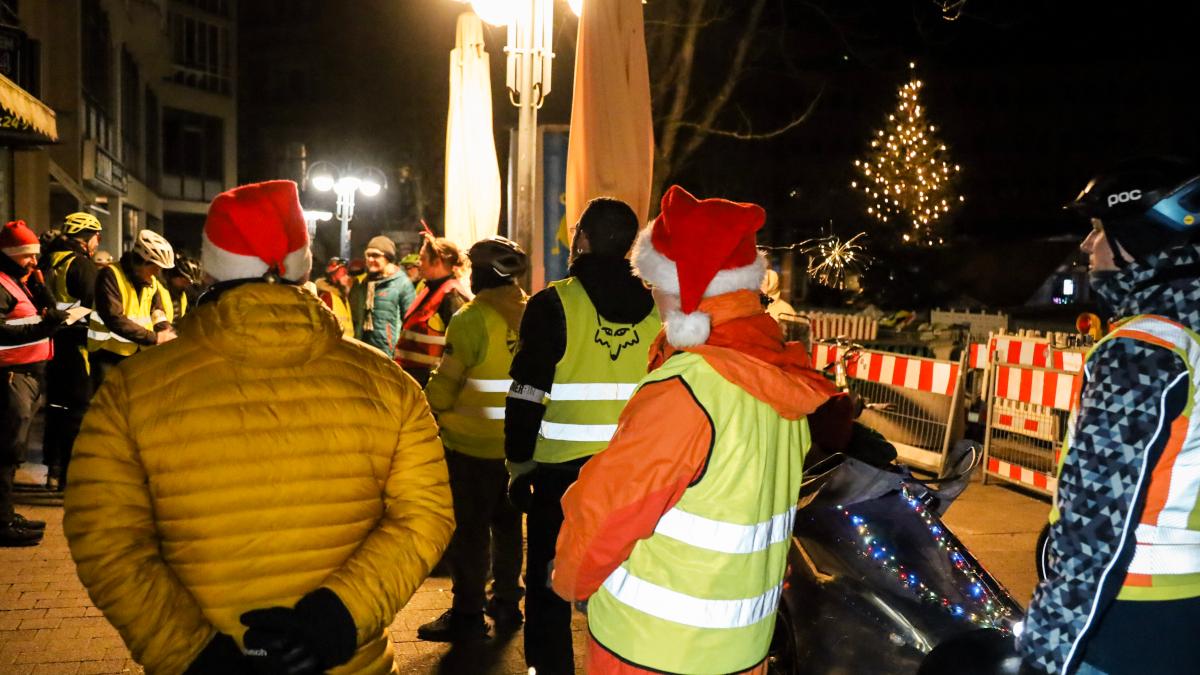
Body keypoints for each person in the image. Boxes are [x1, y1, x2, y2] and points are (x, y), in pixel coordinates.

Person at [63, 180, 455, 675]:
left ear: (211, 269)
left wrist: (190, 651)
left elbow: (104, 534)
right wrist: (338, 617)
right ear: (303, 268)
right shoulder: (388, 384)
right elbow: (426, 514)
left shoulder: (131, 390)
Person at [548, 186, 835, 674]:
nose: (652, 295)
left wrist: (568, 579)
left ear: (683, 289)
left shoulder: (686, 391)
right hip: (741, 649)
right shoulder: (783, 377)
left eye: (654, 282)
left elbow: (606, 511)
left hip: (649, 650)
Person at [1020, 157, 1200, 675]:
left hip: (1124, 617)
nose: (1086, 245)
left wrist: (1046, 654)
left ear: (1138, 240)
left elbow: (1097, 528)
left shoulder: (1143, 349)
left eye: (1099, 229)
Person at [504, 197, 661, 674]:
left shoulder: (554, 303)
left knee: (550, 581)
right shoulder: (657, 308)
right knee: (623, 579)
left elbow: (527, 394)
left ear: (584, 239)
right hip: (633, 473)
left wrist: (519, 463)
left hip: (561, 475)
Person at [418, 236, 529, 642]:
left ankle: (467, 613)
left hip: (471, 447)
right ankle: (508, 602)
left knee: (470, 533)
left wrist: (430, 407)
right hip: (516, 447)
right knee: (509, 526)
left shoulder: (471, 318)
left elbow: (445, 387)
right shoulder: (532, 312)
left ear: (481, 274)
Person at [1, 220, 66, 546]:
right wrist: (43, 328)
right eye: (28, 255)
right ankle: (2, 522)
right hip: (11, 376)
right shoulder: (2, 284)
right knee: (5, 451)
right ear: (11, 253)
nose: (34, 261)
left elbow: (44, 312)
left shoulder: (18, 280)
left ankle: (6, 514)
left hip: (26, 375)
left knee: (13, 450)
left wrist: (42, 289)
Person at [39, 212, 102, 491]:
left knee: (55, 408)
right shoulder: (81, 265)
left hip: (48, 347)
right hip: (76, 347)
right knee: (77, 411)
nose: (98, 243)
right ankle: (69, 475)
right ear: (87, 238)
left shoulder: (47, 261)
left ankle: (52, 470)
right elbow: (93, 305)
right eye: (97, 237)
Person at [85, 229, 176, 389]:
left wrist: (167, 332)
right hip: (107, 355)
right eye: (156, 267)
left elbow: (157, 312)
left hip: (136, 356)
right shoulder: (110, 275)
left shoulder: (151, 281)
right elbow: (114, 318)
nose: (158, 272)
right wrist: (154, 338)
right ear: (143, 261)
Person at [396, 236, 471, 386]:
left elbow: (462, 349)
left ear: (437, 262)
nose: (419, 263)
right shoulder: (430, 289)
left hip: (430, 383)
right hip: (413, 380)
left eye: (423, 258)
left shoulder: (452, 295)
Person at [350, 235, 415, 357]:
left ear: (388, 257)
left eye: (375, 255)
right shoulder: (364, 284)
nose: (370, 259)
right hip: (363, 352)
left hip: (389, 355)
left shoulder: (402, 283)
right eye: (368, 255)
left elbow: (411, 323)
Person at [316, 256, 355, 337]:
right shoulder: (327, 296)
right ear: (333, 274)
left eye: (346, 272)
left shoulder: (342, 296)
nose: (346, 275)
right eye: (343, 272)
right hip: (336, 343)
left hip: (347, 342)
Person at [160, 253, 203, 322]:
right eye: (184, 281)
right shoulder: (156, 290)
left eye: (189, 283)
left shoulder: (182, 296)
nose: (186, 285)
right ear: (173, 275)